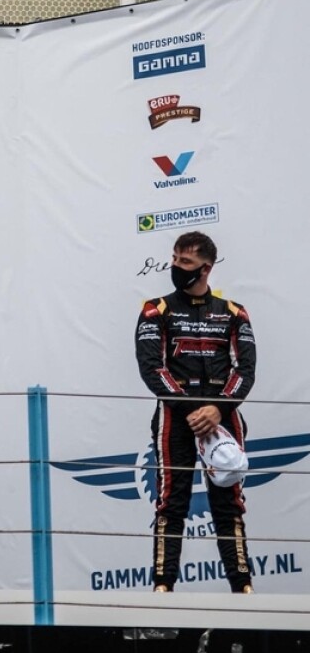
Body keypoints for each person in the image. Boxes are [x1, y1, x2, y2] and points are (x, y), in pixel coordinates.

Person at [135, 230, 255, 593]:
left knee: (228, 504)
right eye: (174, 258)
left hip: (224, 416)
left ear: (206, 268)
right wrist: (193, 409)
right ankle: (163, 588)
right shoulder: (155, 310)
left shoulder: (234, 313)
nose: (176, 266)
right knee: (171, 502)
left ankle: (243, 589)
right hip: (176, 416)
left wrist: (218, 408)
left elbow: (245, 370)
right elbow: (152, 369)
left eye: (185, 261)